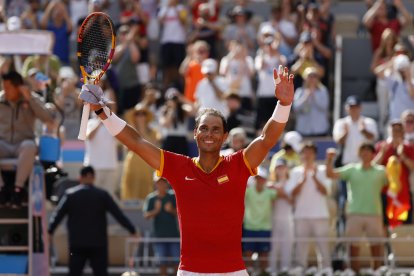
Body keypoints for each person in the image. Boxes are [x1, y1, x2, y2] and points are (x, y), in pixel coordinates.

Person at [78, 65, 294, 274]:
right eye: (204, 128)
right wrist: (102, 111)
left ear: (225, 137)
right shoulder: (178, 167)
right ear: (195, 134)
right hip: (190, 271)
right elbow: (136, 142)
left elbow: (266, 139)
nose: (209, 134)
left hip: (233, 272)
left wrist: (284, 105)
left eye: (216, 129)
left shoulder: (239, 164)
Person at [48, 166, 136, 276]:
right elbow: (118, 215)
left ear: (80, 178)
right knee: (100, 273)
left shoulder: (70, 195)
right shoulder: (102, 195)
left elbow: (58, 215)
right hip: (98, 243)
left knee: (74, 273)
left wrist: (50, 231)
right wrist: (132, 230)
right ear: (94, 178)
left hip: (77, 243)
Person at [326, 143, 388, 272]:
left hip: (374, 214)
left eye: (368, 151)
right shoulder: (351, 169)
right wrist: (329, 159)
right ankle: (354, 273)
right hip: (354, 214)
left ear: (373, 154)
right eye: (362, 151)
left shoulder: (381, 171)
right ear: (359, 154)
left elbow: (395, 184)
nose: (365, 153)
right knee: (353, 247)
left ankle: (377, 273)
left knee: (376, 247)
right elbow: (330, 174)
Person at [0, 71, 54, 208]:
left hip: (23, 147)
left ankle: (18, 189)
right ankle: (2, 189)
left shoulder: (31, 99)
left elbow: (48, 119)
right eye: (3, 87)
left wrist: (29, 99)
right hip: (4, 145)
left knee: (30, 145)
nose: (5, 91)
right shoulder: (0, 100)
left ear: (18, 87)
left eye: (8, 88)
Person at [286, 142, 332, 271]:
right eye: (305, 152)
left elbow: (326, 191)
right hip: (301, 215)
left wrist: (315, 177)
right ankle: (300, 270)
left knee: (323, 247)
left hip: (320, 215)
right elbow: (292, 193)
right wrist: (303, 180)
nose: (307, 155)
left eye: (310, 152)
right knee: (301, 247)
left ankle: (326, 271)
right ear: (301, 155)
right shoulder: (295, 172)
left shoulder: (322, 170)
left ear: (315, 154)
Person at [143, 176, 180, 276]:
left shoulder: (173, 196)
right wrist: (156, 211)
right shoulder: (151, 198)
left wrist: (171, 210)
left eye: (163, 182)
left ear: (167, 183)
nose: (161, 185)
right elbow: (146, 215)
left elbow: (182, 213)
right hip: (159, 237)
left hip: (173, 236)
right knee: (162, 264)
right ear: (155, 184)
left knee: (177, 264)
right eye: (159, 183)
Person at [243, 167, 276, 275]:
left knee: (264, 253)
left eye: (262, 178)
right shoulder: (248, 191)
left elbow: (283, 195)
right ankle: (250, 270)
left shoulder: (270, 192)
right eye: (258, 178)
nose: (260, 180)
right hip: (250, 226)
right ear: (255, 180)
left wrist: (275, 185)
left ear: (265, 180)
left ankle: (263, 271)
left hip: (265, 227)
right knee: (248, 252)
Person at [268, 158, 294, 274]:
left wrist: (279, 192)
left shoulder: (291, 183)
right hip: (273, 219)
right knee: (273, 247)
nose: (280, 170)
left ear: (286, 169)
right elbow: (270, 202)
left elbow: (292, 201)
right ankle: (272, 270)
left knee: (287, 247)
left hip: (288, 219)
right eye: (278, 168)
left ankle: (286, 270)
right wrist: (278, 192)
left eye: (282, 167)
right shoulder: (270, 185)